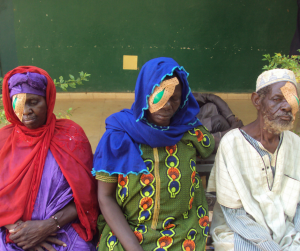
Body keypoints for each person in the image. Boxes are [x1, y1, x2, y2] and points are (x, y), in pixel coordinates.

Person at [93, 57, 215, 250]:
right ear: (144, 94)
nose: (166, 106)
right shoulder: (118, 136)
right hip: (128, 233)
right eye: (159, 97)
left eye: (174, 99)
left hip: (182, 233)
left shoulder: (189, 132)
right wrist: (133, 247)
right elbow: (105, 198)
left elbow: (209, 145)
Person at [0, 66, 99, 251]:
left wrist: (47, 227)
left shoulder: (71, 136)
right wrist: (20, 232)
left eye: (34, 102)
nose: (26, 111)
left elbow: (87, 196)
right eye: (18, 103)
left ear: (48, 100)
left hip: (62, 230)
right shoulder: (3, 141)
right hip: (12, 233)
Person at [207, 68, 300, 251]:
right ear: (257, 101)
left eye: (292, 99)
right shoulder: (232, 143)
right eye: (277, 99)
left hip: (287, 231)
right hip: (240, 232)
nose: (287, 106)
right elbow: (233, 213)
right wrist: (270, 247)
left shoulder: (296, 144)